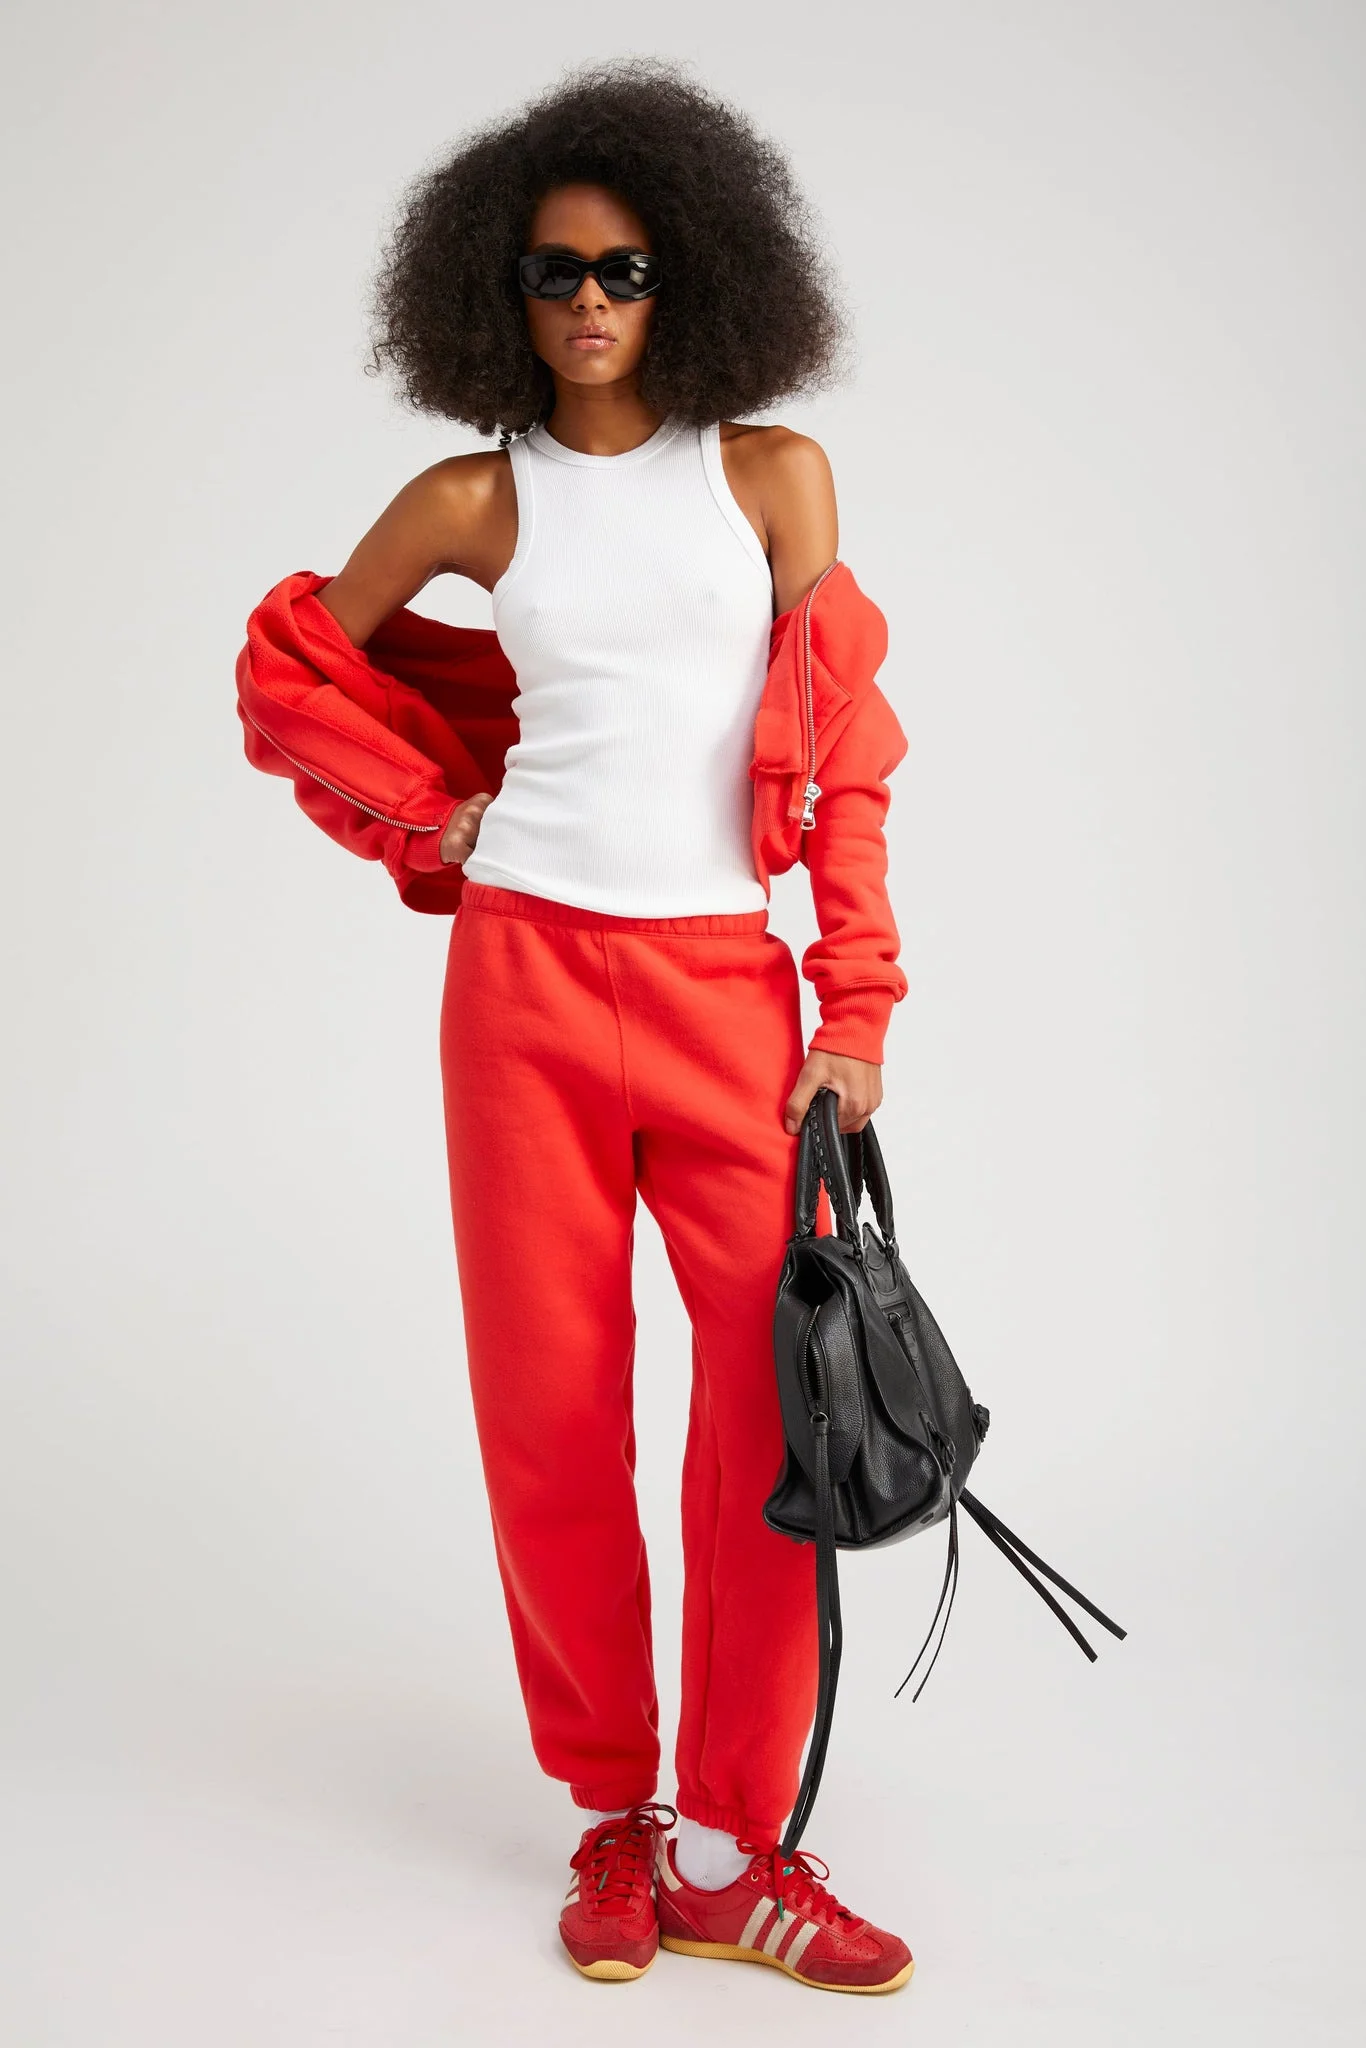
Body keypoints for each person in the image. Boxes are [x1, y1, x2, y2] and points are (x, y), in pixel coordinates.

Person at [239, 56, 913, 1993]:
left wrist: (853, 1002)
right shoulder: (472, 499)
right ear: (500, 290)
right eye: (554, 271)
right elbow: (288, 666)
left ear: (689, 271)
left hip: (723, 993)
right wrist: (426, 814)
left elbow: (843, 764)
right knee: (550, 1416)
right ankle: (615, 1815)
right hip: (522, 985)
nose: (593, 301)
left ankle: (732, 1843)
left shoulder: (767, 476)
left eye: (624, 268)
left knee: (765, 1418)